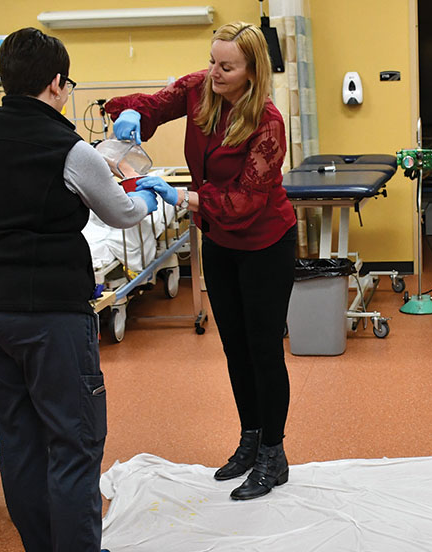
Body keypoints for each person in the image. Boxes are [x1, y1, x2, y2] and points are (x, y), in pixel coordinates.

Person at [0, 27, 157, 552]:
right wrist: (151, 194)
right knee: (73, 443)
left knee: (22, 441)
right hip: (49, 313)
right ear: (56, 82)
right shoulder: (68, 149)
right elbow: (121, 212)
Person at [104, 21, 296, 501]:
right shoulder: (200, 89)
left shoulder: (267, 122)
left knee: (263, 349)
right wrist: (130, 113)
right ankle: (250, 439)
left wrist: (180, 196)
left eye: (227, 66)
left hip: (265, 242)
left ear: (252, 72)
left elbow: (246, 202)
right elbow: (154, 104)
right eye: (212, 60)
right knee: (234, 346)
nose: (214, 72)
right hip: (221, 241)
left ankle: (274, 454)